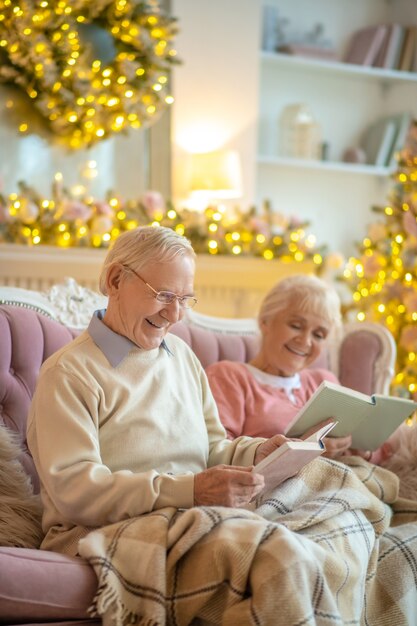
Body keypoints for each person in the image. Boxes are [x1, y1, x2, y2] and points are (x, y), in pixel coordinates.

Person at [27, 225, 297, 556]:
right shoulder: (69, 372)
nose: (175, 314)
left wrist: (256, 454)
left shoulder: (181, 354)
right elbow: (76, 491)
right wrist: (190, 491)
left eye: (184, 299)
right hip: (101, 530)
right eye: (164, 295)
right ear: (115, 281)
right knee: (278, 551)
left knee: (332, 494)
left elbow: (212, 449)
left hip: (191, 516)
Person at [206, 274, 374, 460]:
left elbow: (355, 452)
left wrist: (360, 448)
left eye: (318, 335)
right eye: (296, 325)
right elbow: (217, 453)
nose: (305, 341)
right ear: (265, 321)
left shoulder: (324, 381)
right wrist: (303, 450)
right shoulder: (228, 376)